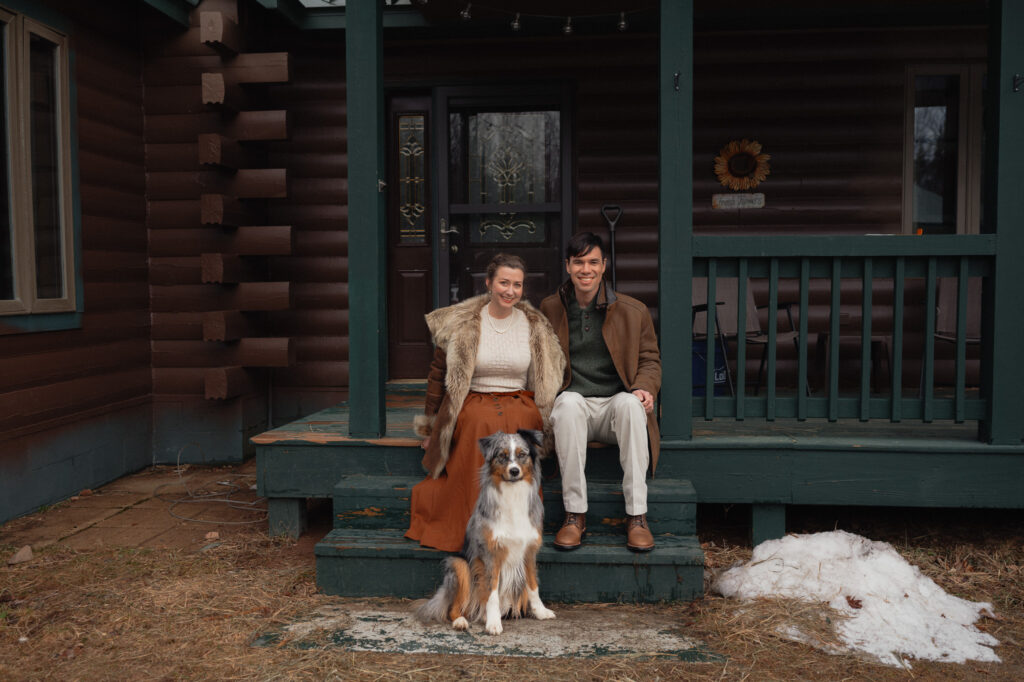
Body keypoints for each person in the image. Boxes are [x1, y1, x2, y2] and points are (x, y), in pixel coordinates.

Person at [405, 253, 565, 552]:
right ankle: (476, 529)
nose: (510, 291)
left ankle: (516, 529)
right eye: (504, 282)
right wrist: (431, 429)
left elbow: (550, 374)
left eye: (517, 285)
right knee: (481, 423)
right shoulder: (463, 323)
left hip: (520, 400)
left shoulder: (534, 326)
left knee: (518, 430)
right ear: (489, 283)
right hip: (474, 401)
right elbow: (438, 375)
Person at [540, 232, 662, 552]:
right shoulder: (551, 308)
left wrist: (644, 388)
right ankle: (574, 515)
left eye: (593, 262)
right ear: (567, 266)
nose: (586, 269)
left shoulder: (633, 311)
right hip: (575, 405)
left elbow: (650, 359)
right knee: (565, 404)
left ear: (604, 266)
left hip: (614, 407)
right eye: (578, 262)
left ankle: (636, 516)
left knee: (631, 406)